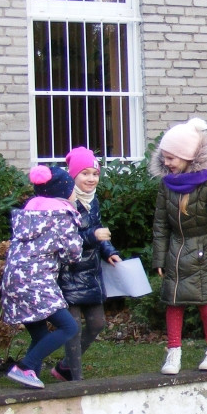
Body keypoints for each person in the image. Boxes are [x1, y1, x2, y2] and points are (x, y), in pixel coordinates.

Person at [150, 118, 207, 375]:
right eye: (164, 157)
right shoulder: (166, 186)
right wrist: (159, 258)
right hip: (175, 253)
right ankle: (173, 353)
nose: (167, 163)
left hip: (205, 253)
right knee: (173, 304)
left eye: (172, 158)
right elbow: (160, 225)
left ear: (188, 157)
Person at [0, 166, 83, 389]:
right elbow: (73, 254)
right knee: (68, 327)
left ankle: (28, 377)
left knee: (39, 335)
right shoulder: (62, 216)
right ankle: (26, 365)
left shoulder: (29, 214)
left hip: (13, 281)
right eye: (72, 188)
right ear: (64, 192)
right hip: (36, 282)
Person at [52, 147, 121, 382]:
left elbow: (97, 231)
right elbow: (63, 241)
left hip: (90, 273)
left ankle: (64, 367)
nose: (91, 179)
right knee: (73, 328)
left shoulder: (93, 201)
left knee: (97, 323)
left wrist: (109, 251)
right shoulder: (63, 203)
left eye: (95, 174)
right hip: (68, 273)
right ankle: (76, 380)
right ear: (73, 176)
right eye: (85, 174)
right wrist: (93, 236)